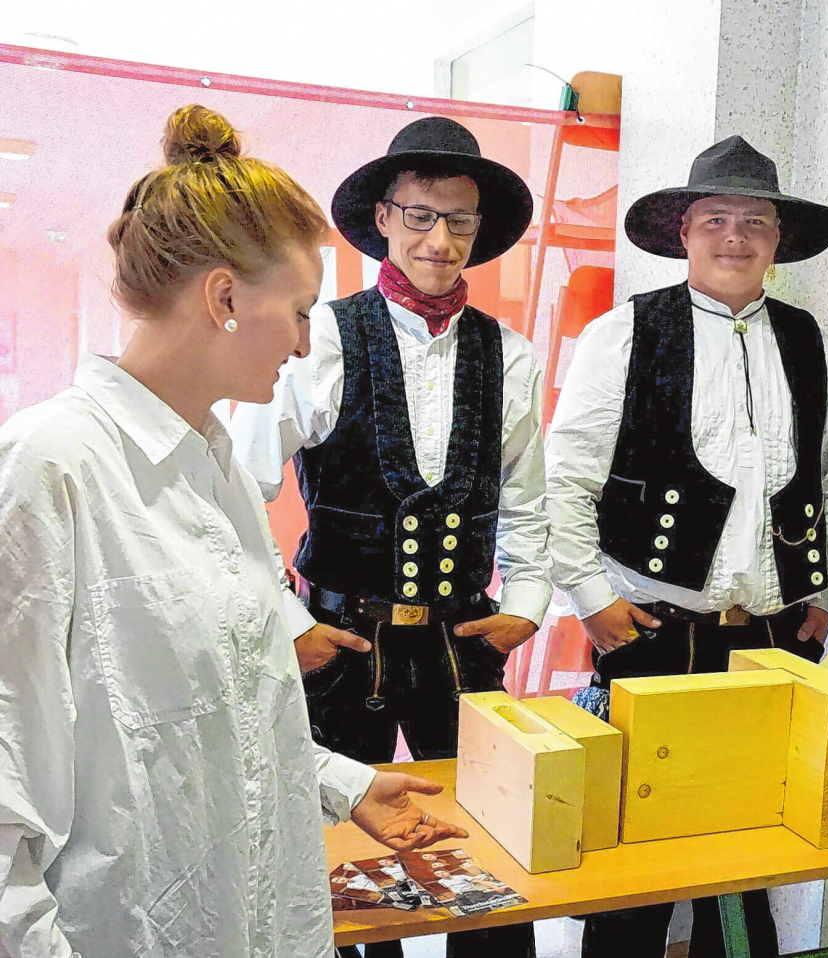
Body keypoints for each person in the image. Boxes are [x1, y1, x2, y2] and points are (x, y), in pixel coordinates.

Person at [0, 105, 467, 958]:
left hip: (259, 913)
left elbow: (222, 707)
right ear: (224, 297)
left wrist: (340, 781)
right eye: (296, 311)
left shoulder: (213, 468)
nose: (301, 342)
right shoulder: (50, 468)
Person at [227, 115, 549, 958]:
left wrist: (528, 602)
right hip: (343, 637)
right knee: (343, 856)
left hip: (461, 639)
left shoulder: (509, 353)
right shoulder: (322, 335)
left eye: (459, 221)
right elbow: (233, 487)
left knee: (489, 836)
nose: (440, 240)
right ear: (384, 218)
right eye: (420, 216)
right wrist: (289, 622)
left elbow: (526, 499)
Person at [545, 134, 828, 958]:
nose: (735, 237)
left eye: (755, 220)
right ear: (683, 231)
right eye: (715, 217)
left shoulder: (806, 338)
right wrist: (593, 601)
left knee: (750, 857)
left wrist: (824, 598)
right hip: (653, 636)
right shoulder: (625, 332)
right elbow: (564, 479)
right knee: (632, 866)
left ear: (779, 239)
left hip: (774, 645)